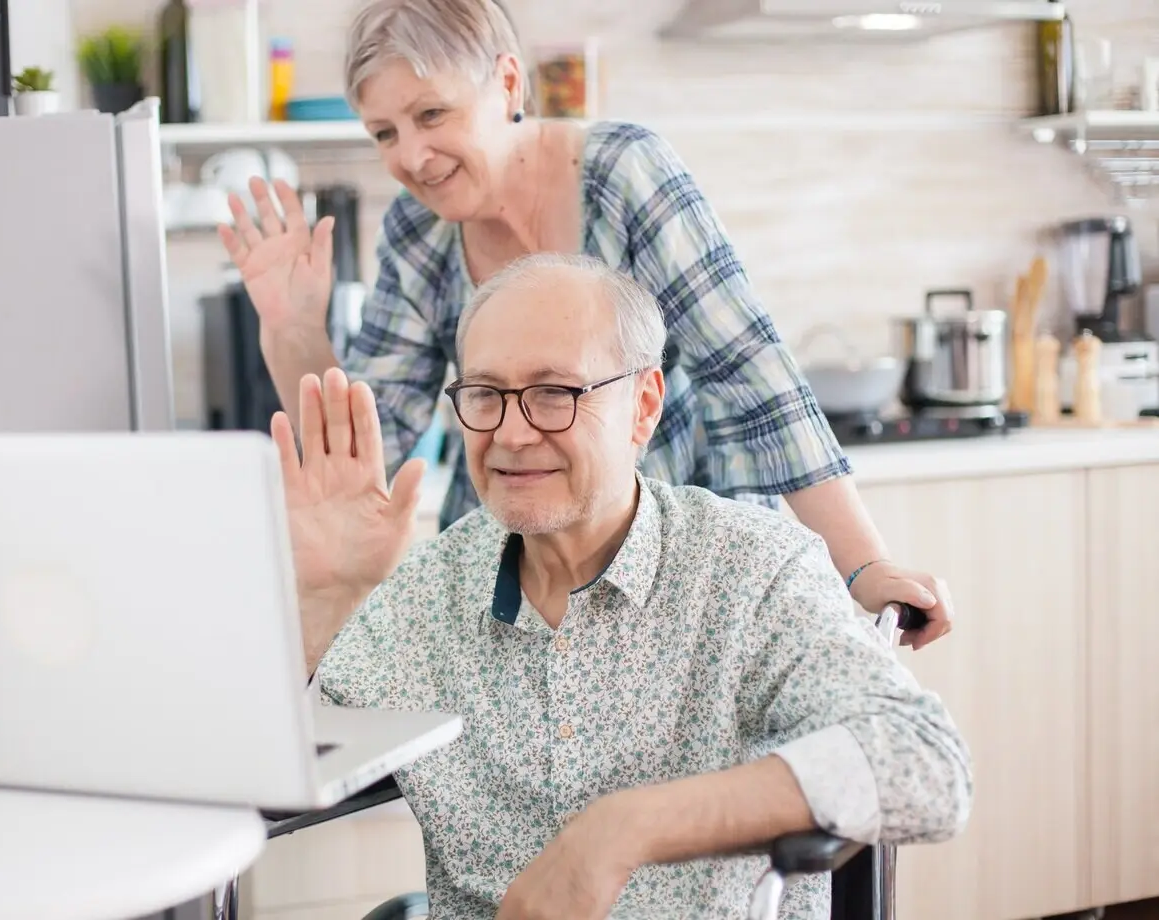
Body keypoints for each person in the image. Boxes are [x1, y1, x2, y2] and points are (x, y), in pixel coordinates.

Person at [219, 0, 956, 649]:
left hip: (679, 563)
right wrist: (292, 327)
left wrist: (862, 566)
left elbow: (753, 378)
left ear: (507, 82)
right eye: (383, 133)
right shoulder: (419, 231)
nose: (409, 155)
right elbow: (367, 449)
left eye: (431, 115)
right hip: (520, 576)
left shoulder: (622, 173)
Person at [274, 254, 972, 920]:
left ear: (644, 406)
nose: (511, 434)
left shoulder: (753, 571)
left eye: (553, 393)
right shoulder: (426, 596)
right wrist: (320, 616)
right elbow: (270, 778)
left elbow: (926, 764)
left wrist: (621, 829)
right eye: (485, 395)